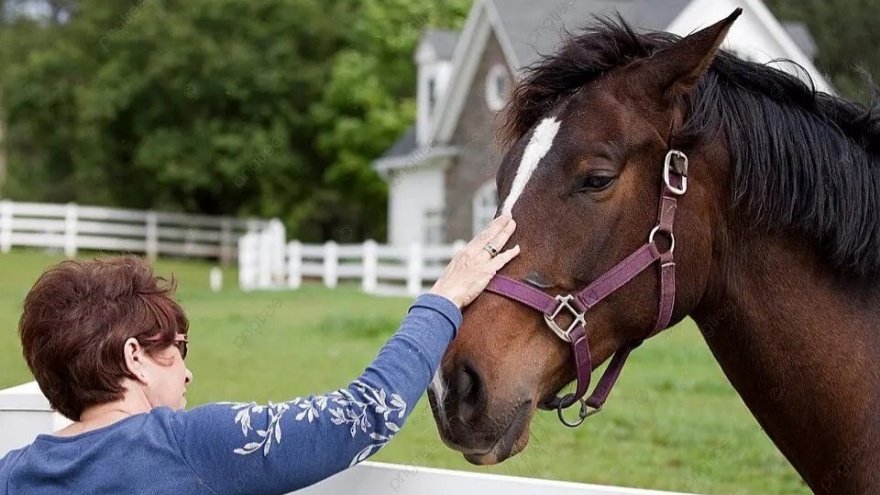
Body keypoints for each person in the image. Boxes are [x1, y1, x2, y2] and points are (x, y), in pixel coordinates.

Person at [0, 214, 519, 494]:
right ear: (134, 356)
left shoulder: (15, 472)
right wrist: (444, 298)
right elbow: (364, 416)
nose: (188, 373)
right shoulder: (183, 445)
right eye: (178, 350)